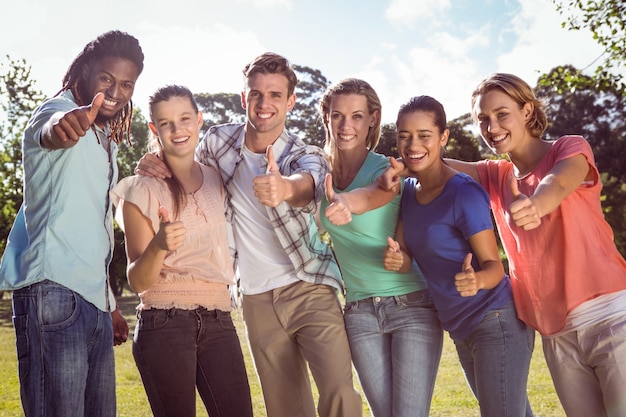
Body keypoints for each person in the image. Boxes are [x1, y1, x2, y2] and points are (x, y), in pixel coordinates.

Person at [135, 52, 363, 417]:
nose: (264, 103)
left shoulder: (306, 154)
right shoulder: (216, 143)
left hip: (309, 287)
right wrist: (154, 158)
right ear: (244, 98)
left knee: (339, 393)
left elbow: (309, 185)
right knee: (285, 406)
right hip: (255, 298)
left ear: (290, 101)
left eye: (275, 95)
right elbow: (182, 157)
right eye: (256, 94)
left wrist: (284, 189)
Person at [432, 73, 626, 417]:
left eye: (501, 114)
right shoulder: (497, 177)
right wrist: (401, 160)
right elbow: (434, 165)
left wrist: (536, 204)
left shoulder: (569, 147)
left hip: (611, 318)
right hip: (558, 334)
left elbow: (561, 179)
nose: (491, 127)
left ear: (526, 111)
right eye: (483, 119)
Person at [0, 30, 144, 417]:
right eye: (106, 79)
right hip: (53, 292)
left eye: (126, 83)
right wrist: (64, 125)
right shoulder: (56, 112)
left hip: (93, 301)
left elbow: (93, 228)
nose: (116, 91)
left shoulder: (105, 139)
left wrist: (111, 305)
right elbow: (51, 131)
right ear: (84, 71)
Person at [110, 85, 254, 417]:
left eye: (185, 118)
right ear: (154, 129)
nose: (178, 130)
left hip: (220, 319)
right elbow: (138, 280)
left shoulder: (218, 178)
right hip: (165, 322)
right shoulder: (140, 189)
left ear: (199, 120)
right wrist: (159, 246)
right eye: (166, 123)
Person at [319, 78, 443, 417]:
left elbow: (375, 194)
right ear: (326, 116)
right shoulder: (319, 173)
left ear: (372, 118)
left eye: (357, 116)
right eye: (337, 116)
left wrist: (346, 202)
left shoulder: (387, 170)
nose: (346, 126)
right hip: (359, 312)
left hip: (412, 306)